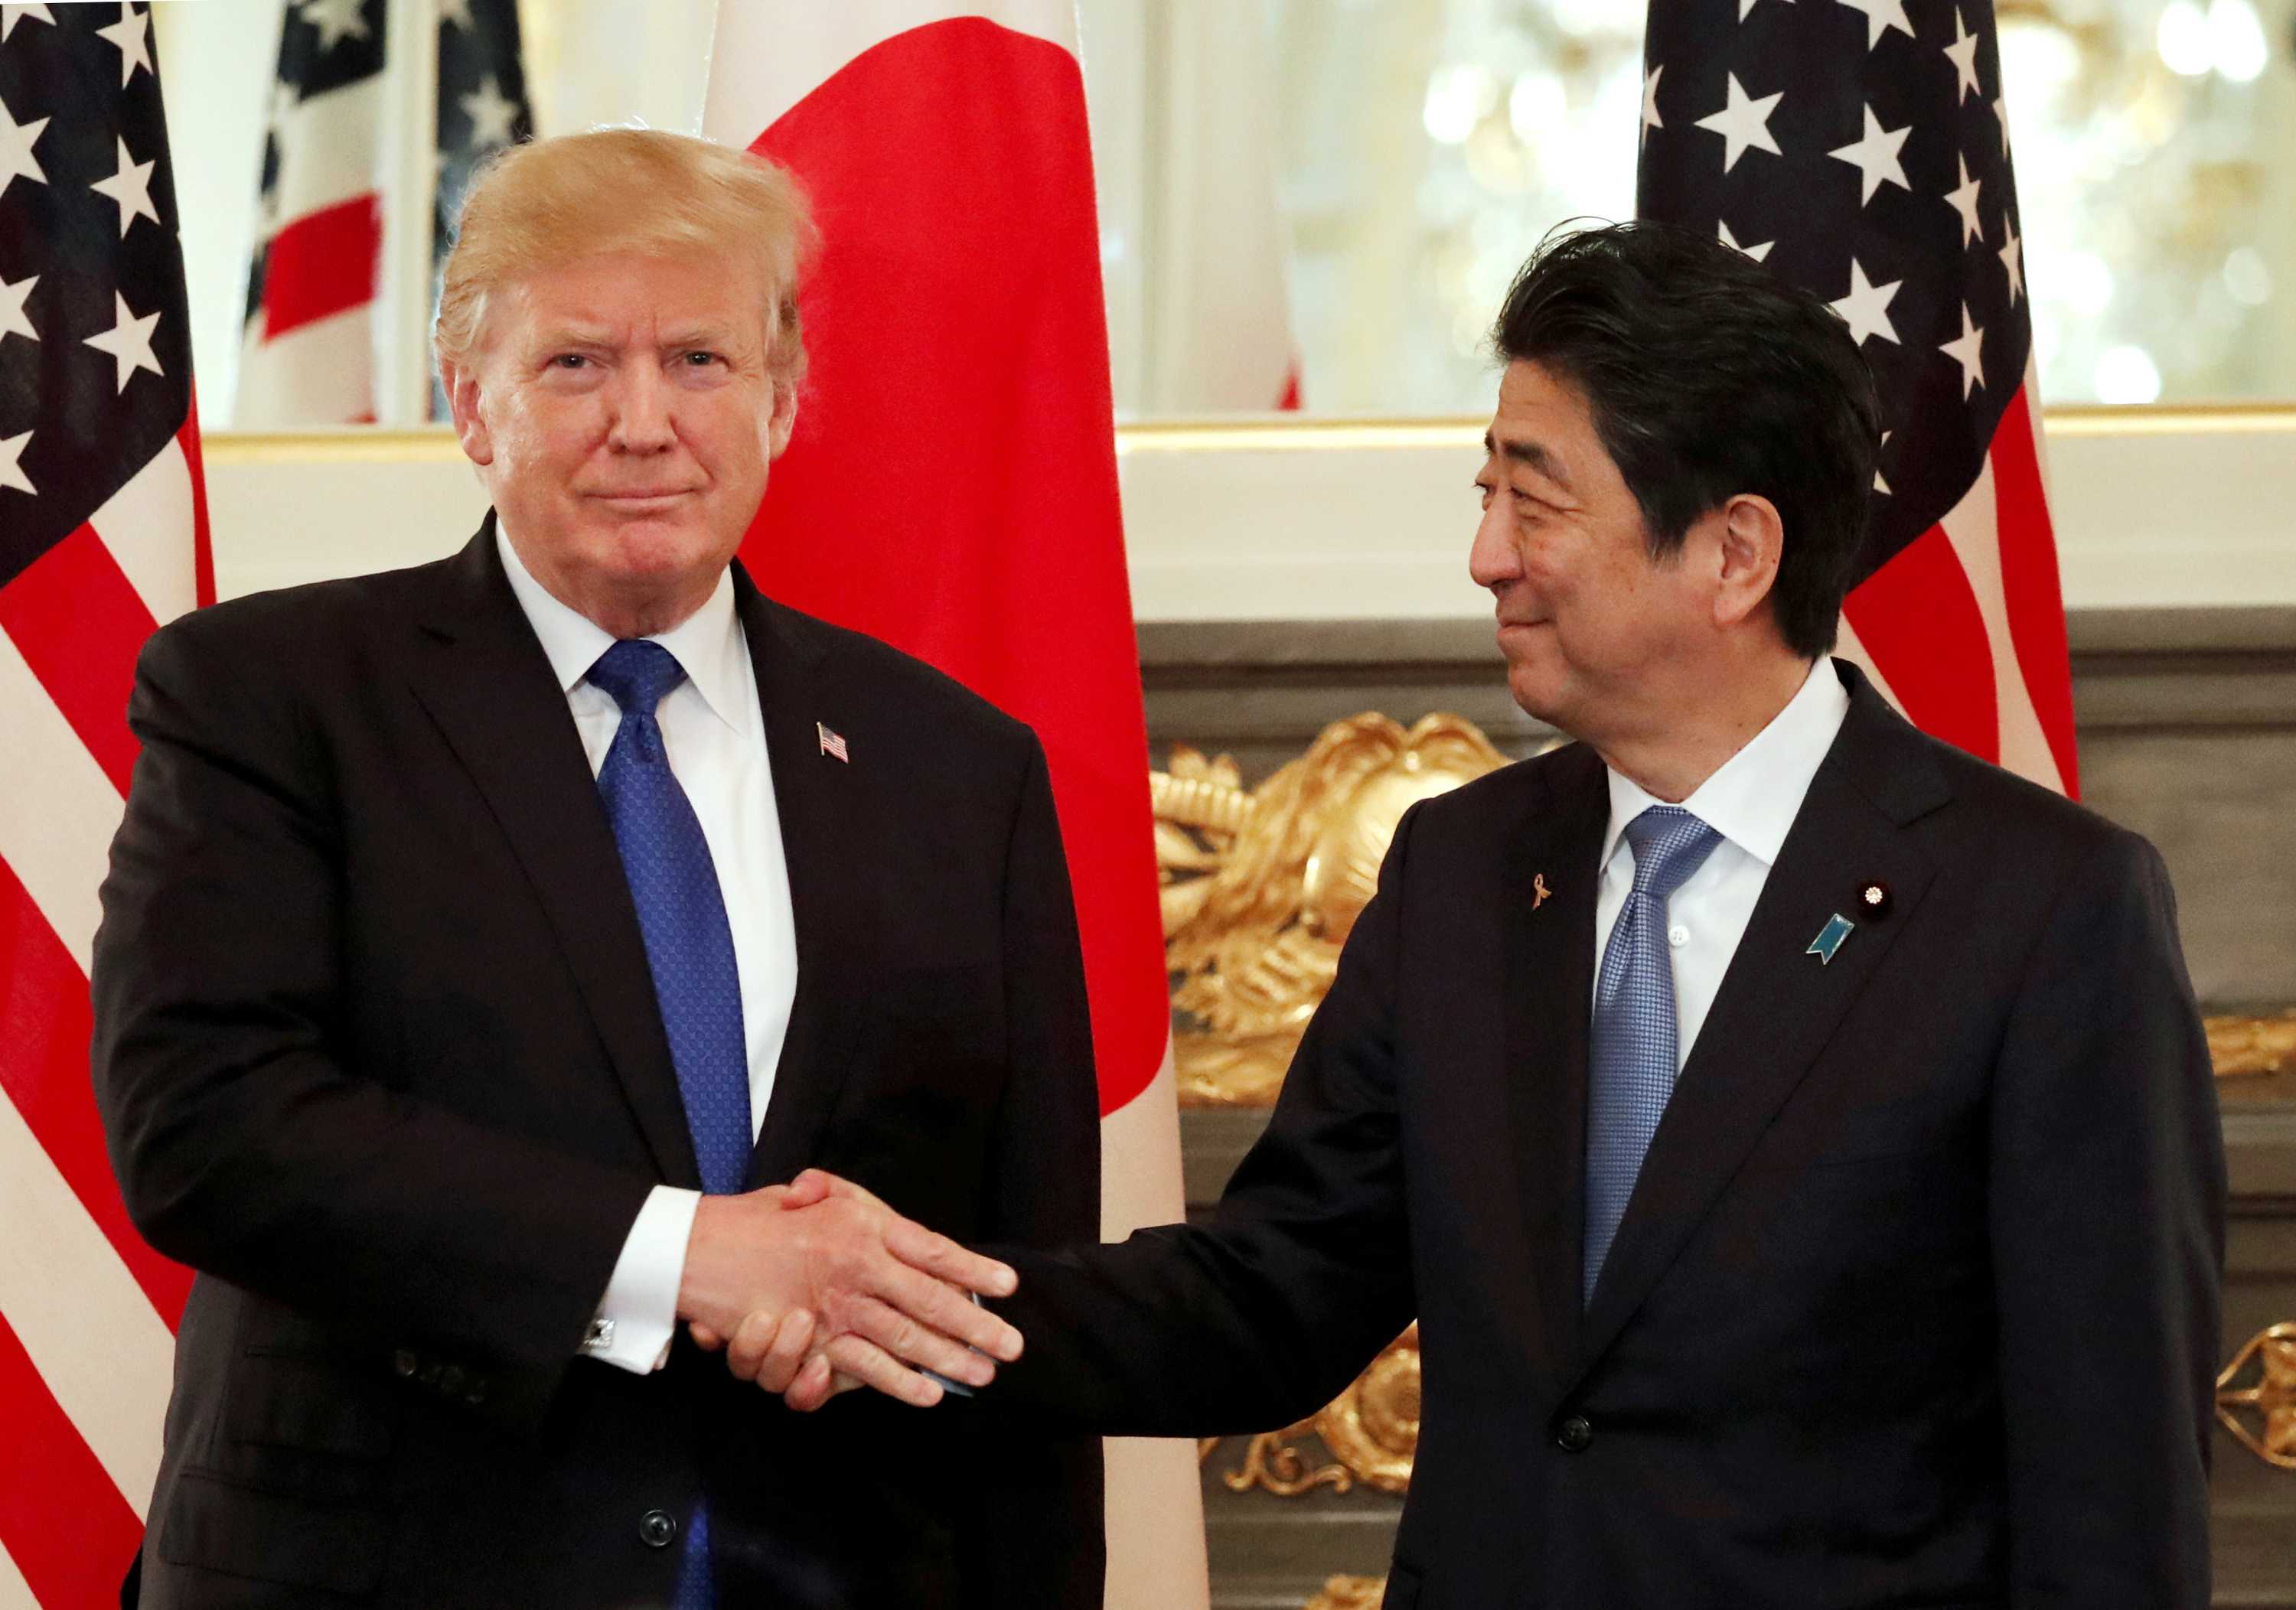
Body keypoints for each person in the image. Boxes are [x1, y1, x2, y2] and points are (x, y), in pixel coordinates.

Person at [758, 223, 2227, 1607]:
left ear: (1734, 554)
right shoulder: (1462, 870)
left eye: (1535, 500)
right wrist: (895, 1298)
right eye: (1487, 495)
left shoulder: (2041, 912)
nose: (1488, 557)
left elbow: (2112, 1478)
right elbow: (1269, 1294)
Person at [91, 127, 1103, 1609]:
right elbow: (207, 1126)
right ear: (470, 405)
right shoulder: (271, 695)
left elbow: (1013, 1294)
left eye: (700, 358)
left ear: (784, 396)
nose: (645, 421)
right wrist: (684, 1254)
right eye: (576, 364)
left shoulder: (960, 765)